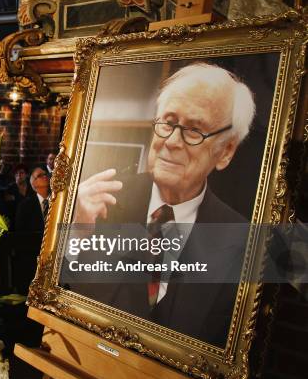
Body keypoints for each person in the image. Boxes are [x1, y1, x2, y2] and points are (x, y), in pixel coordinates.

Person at [68, 63, 256, 347]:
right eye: (167, 123)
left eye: (194, 130)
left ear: (226, 151)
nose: (172, 142)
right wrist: (74, 238)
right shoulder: (92, 204)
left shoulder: (243, 242)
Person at [15, 167, 50, 232]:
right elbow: (20, 233)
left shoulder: (58, 201)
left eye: (45, 174)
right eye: (40, 175)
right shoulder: (24, 206)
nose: (45, 176)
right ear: (34, 183)